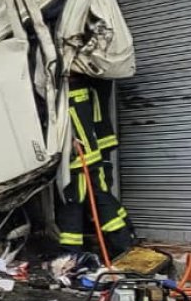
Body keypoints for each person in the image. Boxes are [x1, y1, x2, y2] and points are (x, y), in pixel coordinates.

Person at [55, 74, 134, 261]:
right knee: (100, 195)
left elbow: (78, 129)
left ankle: (71, 255)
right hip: (94, 152)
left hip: (83, 159)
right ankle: (124, 239)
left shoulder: (73, 94)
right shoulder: (89, 86)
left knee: (75, 201)